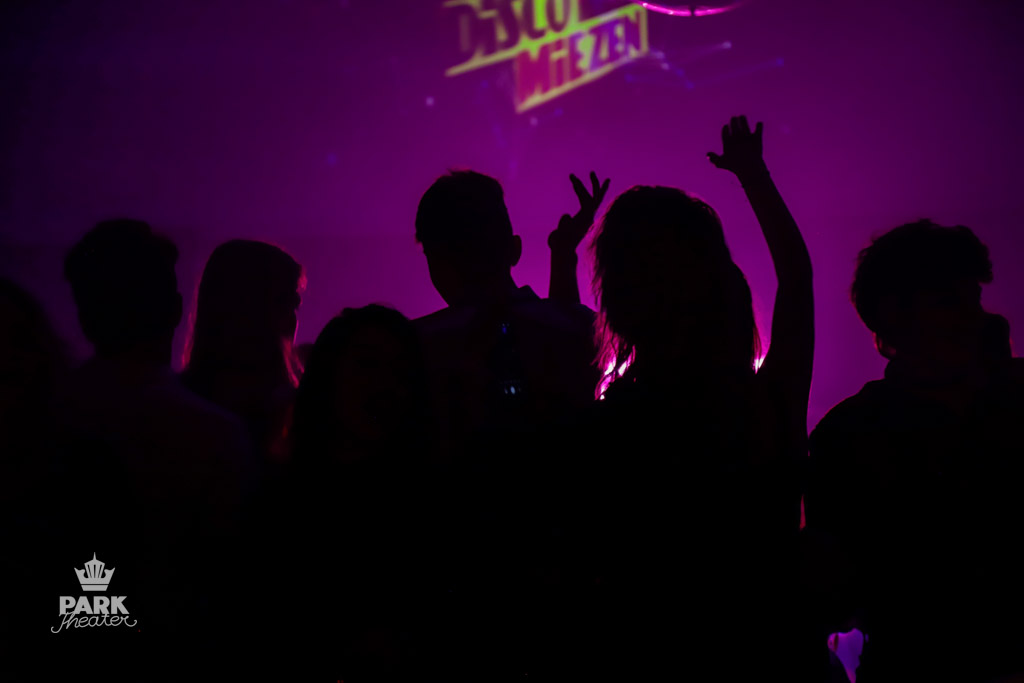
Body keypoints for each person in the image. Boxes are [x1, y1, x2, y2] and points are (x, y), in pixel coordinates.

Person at [543, 116, 813, 681]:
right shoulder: (763, 405)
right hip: (768, 654)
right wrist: (754, 176)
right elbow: (795, 279)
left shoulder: (613, 423)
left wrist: (564, 259)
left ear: (619, 298)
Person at [806, 220, 1024, 683]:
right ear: (895, 319)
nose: (975, 319)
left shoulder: (847, 430)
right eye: (949, 301)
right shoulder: (849, 435)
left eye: (972, 299)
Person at [43, 220, 250, 681]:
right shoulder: (213, 434)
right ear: (175, 307)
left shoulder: (39, 416)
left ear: (84, 312)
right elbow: (228, 579)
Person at [273, 305, 434, 680]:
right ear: (327, 377)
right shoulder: (274, 505)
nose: (384, 386)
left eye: (400, 371)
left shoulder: (436, 509)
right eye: (366, 365)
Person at [413, 170, 601, 460]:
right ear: (515, 249)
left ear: (436, 264)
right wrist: (564, 256)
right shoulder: (581, 328)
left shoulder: (413, 347)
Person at [182, 239, 305, 467]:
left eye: (293, 305)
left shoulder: (177, 400)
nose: (292, 320)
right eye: (284, 303)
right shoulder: (297, 409)